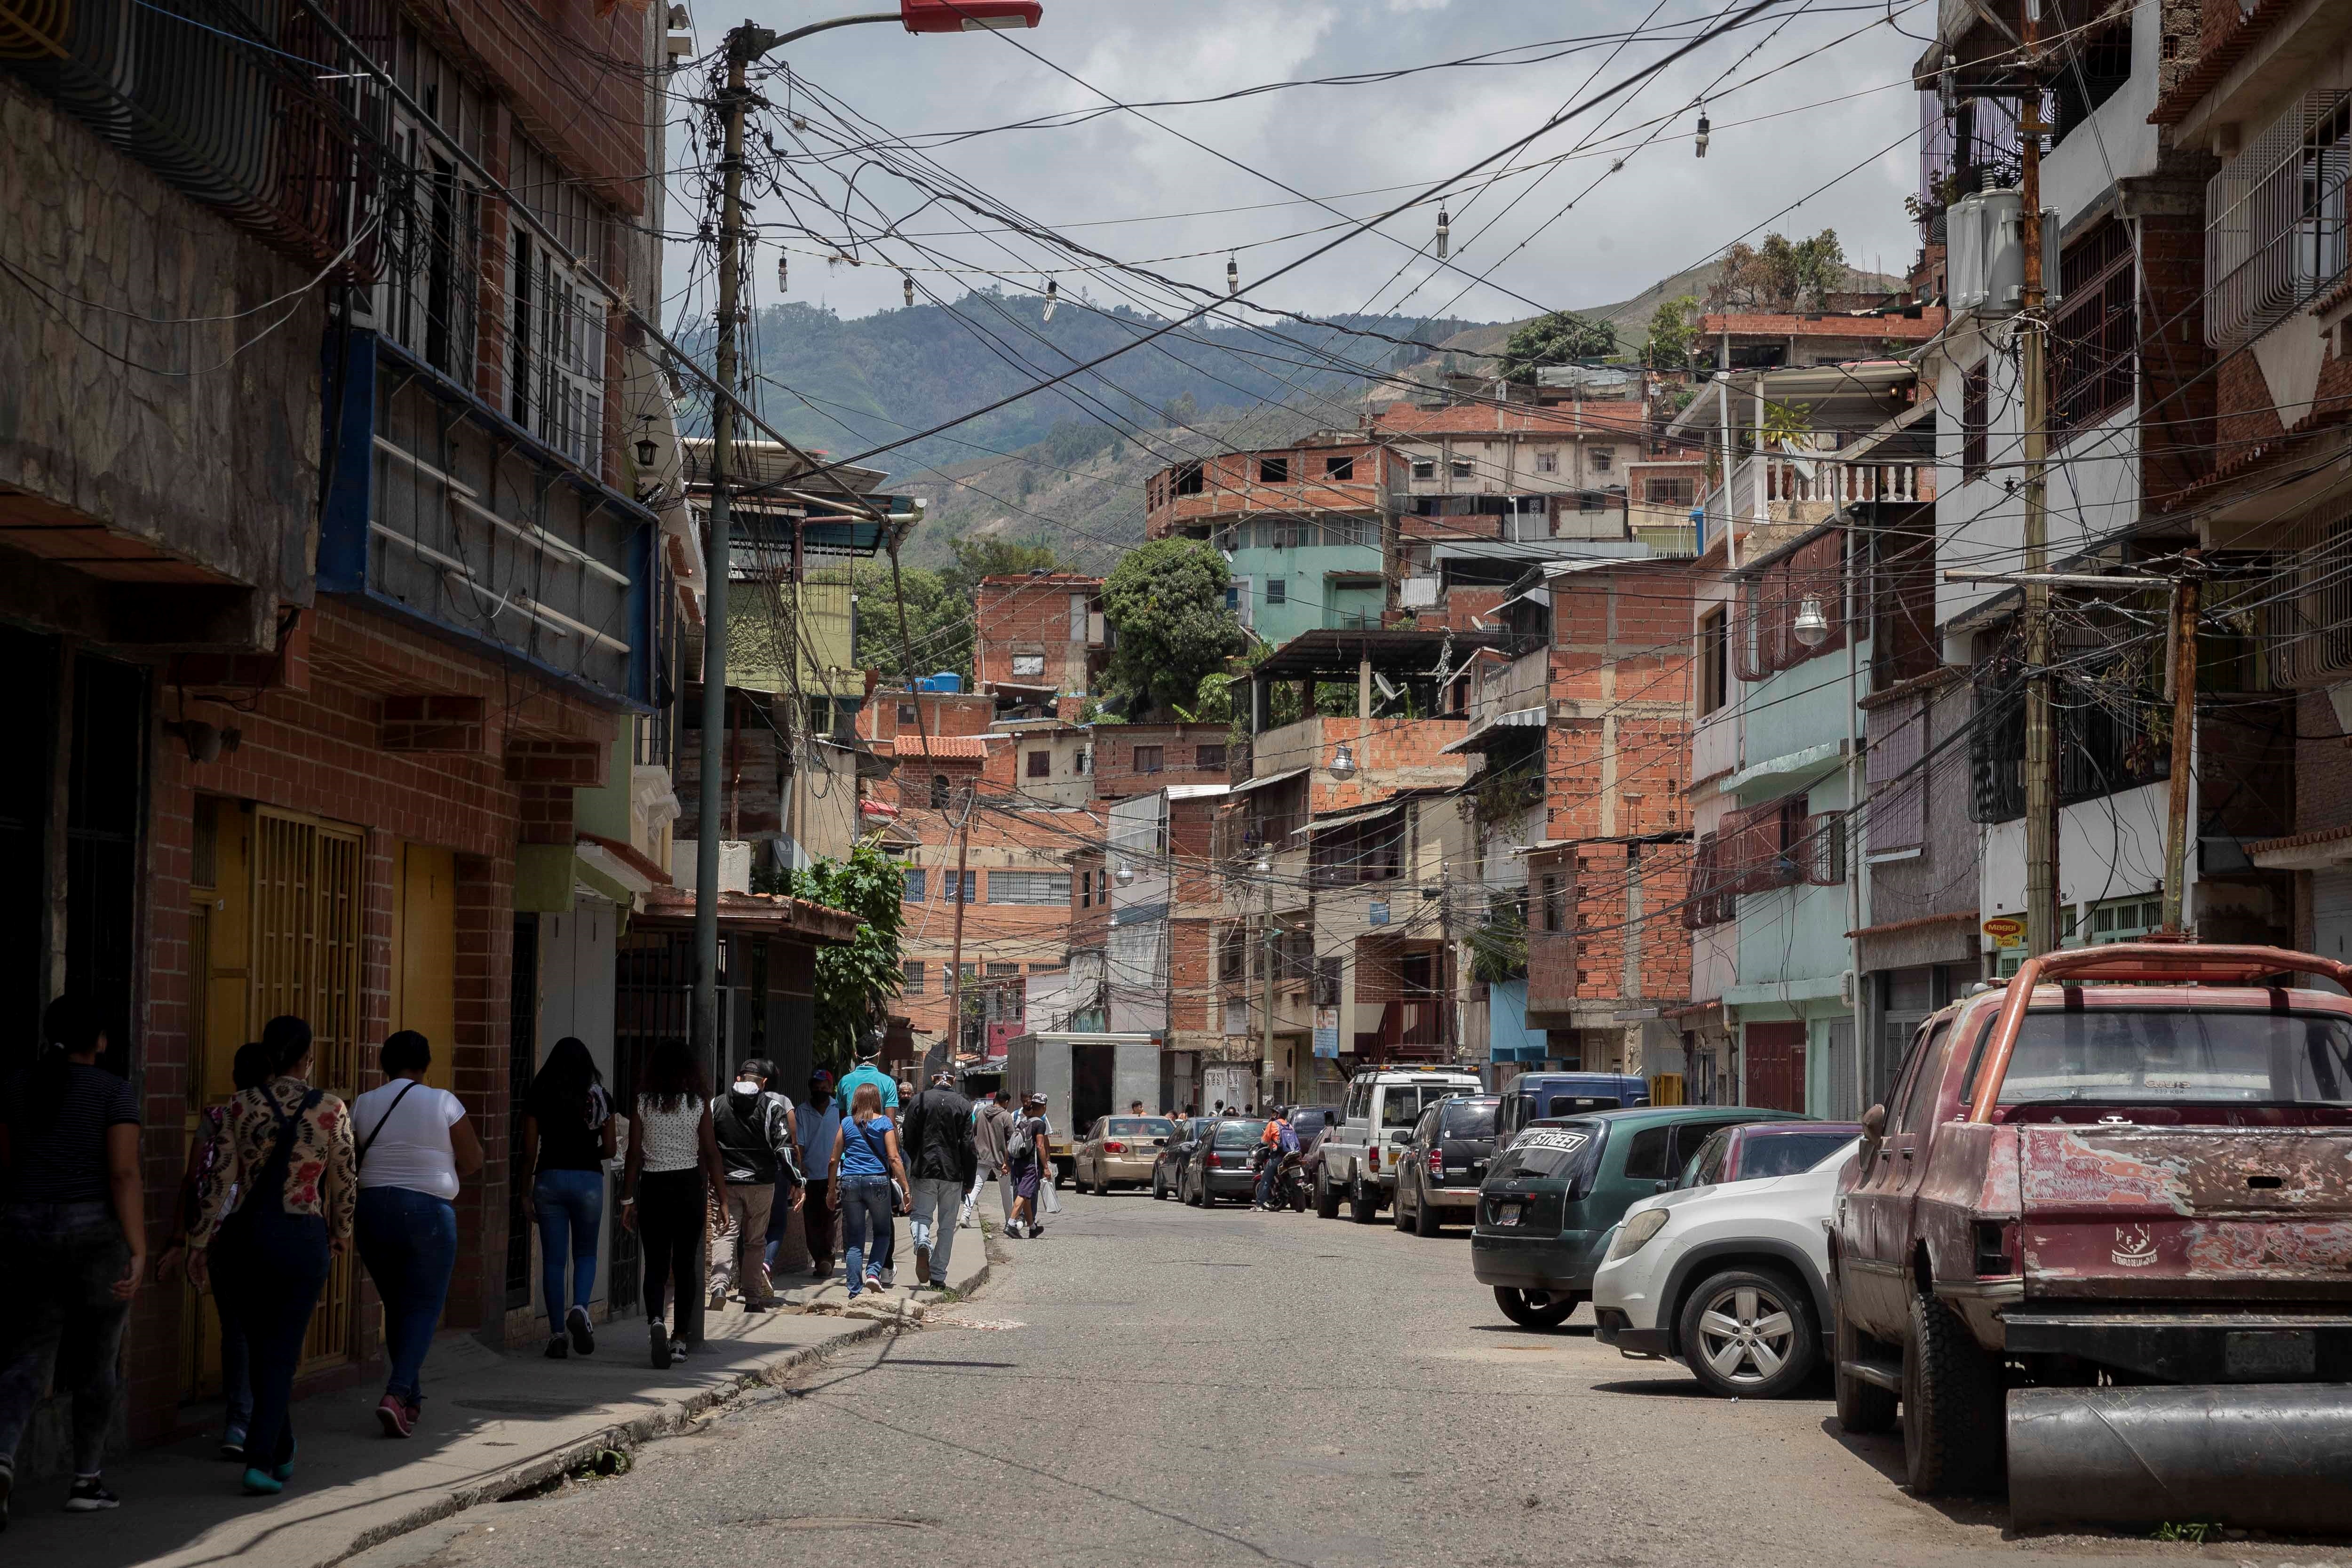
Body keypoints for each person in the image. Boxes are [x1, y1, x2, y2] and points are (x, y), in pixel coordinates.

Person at [188, 1014, 355, 1497]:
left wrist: (199, 1242)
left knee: (264, 1348)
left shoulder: (238, 1107)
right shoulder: (330, 1108)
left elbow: (219, 1182)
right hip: (302, 1233)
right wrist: (341, 1230)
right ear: (308, 1057)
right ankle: (261, 1460)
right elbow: (345, 1177)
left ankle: (280, 1448)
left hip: (245, 1238)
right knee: (279, 1352)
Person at [0, 998, 145, 1524]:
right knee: (97, 1361)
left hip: (25, 1229)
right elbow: (123, 1175)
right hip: (95, 1234)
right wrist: (139, 1249)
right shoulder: (113, 1092)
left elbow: (10, 1164)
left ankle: (2, 1458)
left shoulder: (17, 1087)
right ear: (100, 1040)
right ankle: (86, 1480)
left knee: (25, 1357)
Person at [350, 1032, 481, 1438]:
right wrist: (440, 1177)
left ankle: (410, 1401)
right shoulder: (443, 1101)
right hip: (428, 1212)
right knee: (425, 1306)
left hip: (372, 1210)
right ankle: (395, 1393)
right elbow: (474, 1158)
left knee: (398, 1305)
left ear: (382, 1063)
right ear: (426, 1065)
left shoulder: (363, 1103)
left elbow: (351, 1157)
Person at [155, 1040, 275, 1461]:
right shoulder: (294, 1116)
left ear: (234, 1078)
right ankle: (267, 1419)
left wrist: (186, 1239)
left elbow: (195, 1180)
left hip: (225, 1237)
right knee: (273, 1330)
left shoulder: (218, 1116)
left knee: (236, 1330)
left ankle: (238, 1422)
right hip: (279, 1233)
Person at [620, 1040, 725, 1369]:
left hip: (653, 1186)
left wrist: (627, 1199)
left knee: (655, 1263)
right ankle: (680, 1338)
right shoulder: (698, 1103)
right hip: (688, 1186)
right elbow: (710, 1152)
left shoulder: (643, 1104)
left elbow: (634, 1155)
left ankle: (655, 1321)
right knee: (684, 1265)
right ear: (689, 1070)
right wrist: (722, 1198)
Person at [518, 1036, 615, 1361]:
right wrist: (588, 1153)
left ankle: (557, 1335)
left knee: (554, 1260)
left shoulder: (540, 1094)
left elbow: (530, 1151)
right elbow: (613, 1148)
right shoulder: (599, 1097)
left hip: (550, 1179)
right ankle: (581, 1310)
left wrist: (523, 1192)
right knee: (586, 1252)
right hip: (588, 1179)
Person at [709, 1059, 800, 1312]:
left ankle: (718, 1285)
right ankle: (751, 1298)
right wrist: (797, 1181)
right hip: (761, 1183)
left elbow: (706, 1144)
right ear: (764, 1083)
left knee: (725, 1234)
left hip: (726, 1183)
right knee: (755, 1241)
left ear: (738, 1078)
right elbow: (784, 1147)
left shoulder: (716, 1104)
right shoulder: (772, 1107)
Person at [827, 1083, 906, 1297]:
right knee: (882, 1232)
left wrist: (831, 1191)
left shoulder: (846, 1123)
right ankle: (873, 1273)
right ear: (877, 1100)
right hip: (878, 1182)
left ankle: (854, 1291)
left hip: (850, 1182)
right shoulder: (885, 1124)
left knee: (855, 1239)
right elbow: (894, 1158)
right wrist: (906, 1188)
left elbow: (834, 1159)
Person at [834, 1033, 899, 1285]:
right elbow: (890, 1123)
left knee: (855, 1233)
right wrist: (895, 1165)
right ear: (879, 1054)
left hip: (850, 1166)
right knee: (884, 1225)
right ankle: (882, 1270)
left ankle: (853, 1287)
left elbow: (844, 1122)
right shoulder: (887, 1083)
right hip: (880, 1166)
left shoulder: (845, 1082)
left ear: (855, 1055)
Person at [899, 1071, 974, 1290]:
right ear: (953, 1080)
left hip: (924, 1169)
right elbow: (968, 1144)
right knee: (947, 1225)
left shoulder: (919, 1100)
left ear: (934, 1080)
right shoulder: (963, 1104)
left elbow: (907, 1135)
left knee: (921, 1215)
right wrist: (969, 1178)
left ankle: (922, 1241)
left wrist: (915, 1159)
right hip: (953, 1172)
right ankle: (939, 1275)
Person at [791, 1070, 840, 1281]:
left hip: (834, 1174)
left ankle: (828, 1256)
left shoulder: (839, 1110)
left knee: (830, 1218)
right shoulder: (802, 1112)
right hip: (810, 1175)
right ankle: (820, 1259)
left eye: (825, 1088)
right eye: (817, 1088)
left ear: (831, 1088)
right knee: (811, 1221)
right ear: (811, 1088)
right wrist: (799, 1170)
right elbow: (798, 1144)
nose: (821, 1091)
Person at [964, 1089, 1014, 1230]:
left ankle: (965, 1215)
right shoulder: (1006, 1116)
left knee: (976, 1187)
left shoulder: (981, 1114)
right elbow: (1012, 1140)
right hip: (1000, 1160)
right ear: (1006, 1102)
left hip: (982, 1157)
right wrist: (1008, 1161)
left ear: (994, 1100)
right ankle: (1009, 1222)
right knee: (1006, 1192)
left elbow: (973, 1133)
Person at [1004, 1093, 1051, 1240]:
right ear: (1043, 1107)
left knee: (1028, 1197)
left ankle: (1032, 1228)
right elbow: (1041, 1146)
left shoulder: (1024, 1121)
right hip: (1031, 1165)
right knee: (1024, 1194)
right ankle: (1011, 1224)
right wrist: (1046, 1167)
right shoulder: (1040, 1124)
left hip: (1017, 1163)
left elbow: (1011, 1143)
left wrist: (1007, 1162)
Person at [1254, 1110, 1298, 1210]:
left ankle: (1259, 1205)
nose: (1272, 1114)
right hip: (1292, 1155)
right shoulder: (1289, 1125)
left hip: (1278, 1156)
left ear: (1278, 1115)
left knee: (1266, 1179)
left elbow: (1264, 1141)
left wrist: (1259, 1149)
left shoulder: (1273, 1124)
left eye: (1274, 1113)